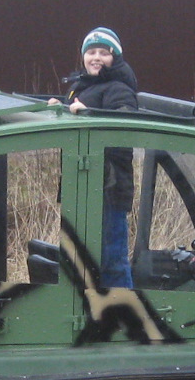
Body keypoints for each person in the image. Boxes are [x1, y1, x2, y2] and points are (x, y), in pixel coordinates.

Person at [50, 27, 139, 287]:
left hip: (108, 189)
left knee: (112, 259)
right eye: (91, 52)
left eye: (104, 52)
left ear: (116, 57)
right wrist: (61, 110)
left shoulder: (119, 89)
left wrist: (90, 114)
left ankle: (124, 315)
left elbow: (125, 128)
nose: (96, 57)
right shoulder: (80, 86)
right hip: (83, 186)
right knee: (80, 258)